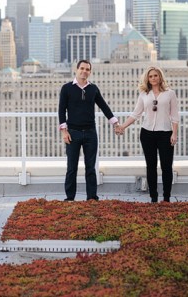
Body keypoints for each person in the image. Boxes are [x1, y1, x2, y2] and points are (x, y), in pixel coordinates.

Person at [58, 60, 120, 201]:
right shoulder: (67, 88)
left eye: (87, 69)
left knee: (90, 168)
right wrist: (64, 131)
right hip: (73, 133)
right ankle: (70, 198)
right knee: (71, 168)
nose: (84, 71)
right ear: (76, 69)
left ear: (90, 72)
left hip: (91, 133)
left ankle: (92, 198)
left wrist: (115, 123)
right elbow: (61, 111)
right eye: (82, 68)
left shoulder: (93, 89)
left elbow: (104, 107)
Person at [117, 66, 179, 202]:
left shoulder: (170, 93)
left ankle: (167, 198)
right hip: (147, 134)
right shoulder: (144, 94)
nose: (153, 78)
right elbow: (136, 114)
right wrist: (122, 126)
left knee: (166, 166)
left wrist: (174, 134)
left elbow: (174, 116)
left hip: (165, 133)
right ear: (147, 79)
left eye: (155, 75)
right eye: (150, 76)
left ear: (160, 77)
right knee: (150, 166)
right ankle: (153, 198)